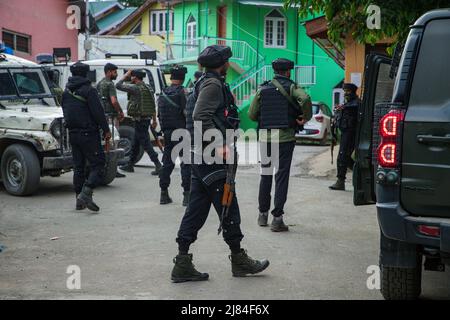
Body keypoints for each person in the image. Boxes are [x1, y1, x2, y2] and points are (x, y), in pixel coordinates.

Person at [171, 45, 269, 283]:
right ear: (221, 63)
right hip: (211, 157)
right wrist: (219, 144)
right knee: (228, 206)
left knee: (196, 209)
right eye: (226, 60)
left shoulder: (205, 81)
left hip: (200, 156)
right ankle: (238, 259)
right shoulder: (213, 84)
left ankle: (182, 262)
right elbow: (199, 116)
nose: (228, 63)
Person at [248, 58, 312, 232]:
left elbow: (252, 115)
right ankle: (277, 219)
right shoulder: (291, 87)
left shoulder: (263, 89)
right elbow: (305, 98)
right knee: (281, 177)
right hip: (284, 137)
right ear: (288, 72)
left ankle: (262, 215)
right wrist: (305, 117)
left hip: (266, 138)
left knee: (266, 175)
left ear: (274, 71)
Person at [61, 62, 111, 212]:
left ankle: (79, 200)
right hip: (88, 133)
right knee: (99, 164)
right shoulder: (89, 90)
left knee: (79, 167)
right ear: (86, 74)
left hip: (73, 134)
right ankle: (86, 193)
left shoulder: (66, 92)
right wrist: (106, 130)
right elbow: (98, 113)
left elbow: (64, 111)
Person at [116, 69, 162, 175]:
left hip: (140, 120)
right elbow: (152, 104)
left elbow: (118, 85)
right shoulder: (148, 87)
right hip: (145, 119)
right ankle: (130, 164)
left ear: (135, 78)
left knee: (146, 143)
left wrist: (125, 75)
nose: (130, 78)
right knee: (135, 142)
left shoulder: (135, 88)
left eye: (131, 76)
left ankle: (158, 165)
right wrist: (154, 119)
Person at [158, 66, 191, 206]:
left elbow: (159, 115)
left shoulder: (163, 93)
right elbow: (187, 113)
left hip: (167, 133)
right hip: (182, 132)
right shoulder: (183, 93)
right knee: (186, 164)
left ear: (171, 78)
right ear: (183, 78)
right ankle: (187, 196)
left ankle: (163, 193)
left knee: (167, 163)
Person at [96, 63, 126, 178]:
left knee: (105, 142)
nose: (116, 74)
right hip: (111, 116)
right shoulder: (110, 84)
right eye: (114, 72)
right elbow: (113, 101)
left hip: (103, 116)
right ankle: (112, 169)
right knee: (114, 142)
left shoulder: (100, 83)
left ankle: (104, 167)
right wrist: (120, 111)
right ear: (108, 72)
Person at [329, 83, 360, 191]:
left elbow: (354, 107)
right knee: (346, 158)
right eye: (345, 91)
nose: (346, 93)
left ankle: (341, 181)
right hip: (344, 133)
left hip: (351, 134)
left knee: (343, 157)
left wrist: (343, 107)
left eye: (348, 91)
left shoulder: (355, 103)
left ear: (353, 92)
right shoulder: (347, 104)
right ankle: (358, 177)